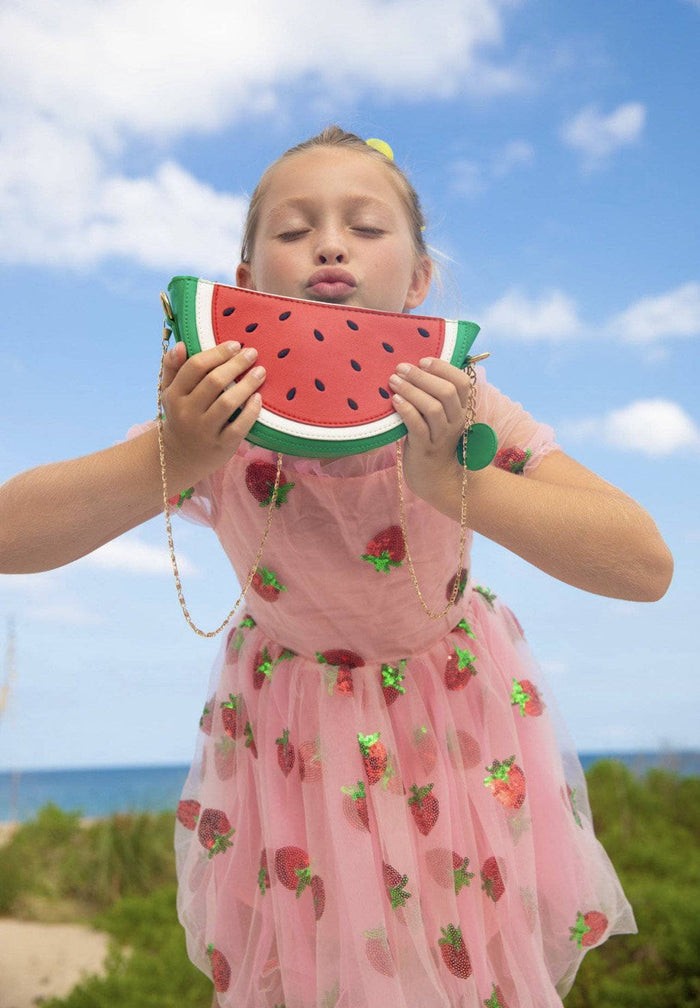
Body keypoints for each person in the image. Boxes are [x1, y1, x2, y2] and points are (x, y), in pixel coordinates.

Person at [0, 126, 673, 1008]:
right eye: (292, 230)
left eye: (364, 226)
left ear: (420, 281)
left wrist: (460, 482)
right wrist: (174, 450)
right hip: (290, 744)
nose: (328, 244)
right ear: (243, 285)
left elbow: (644, 565)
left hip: (454, 729)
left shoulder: (464, 401)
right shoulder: (217, 415)